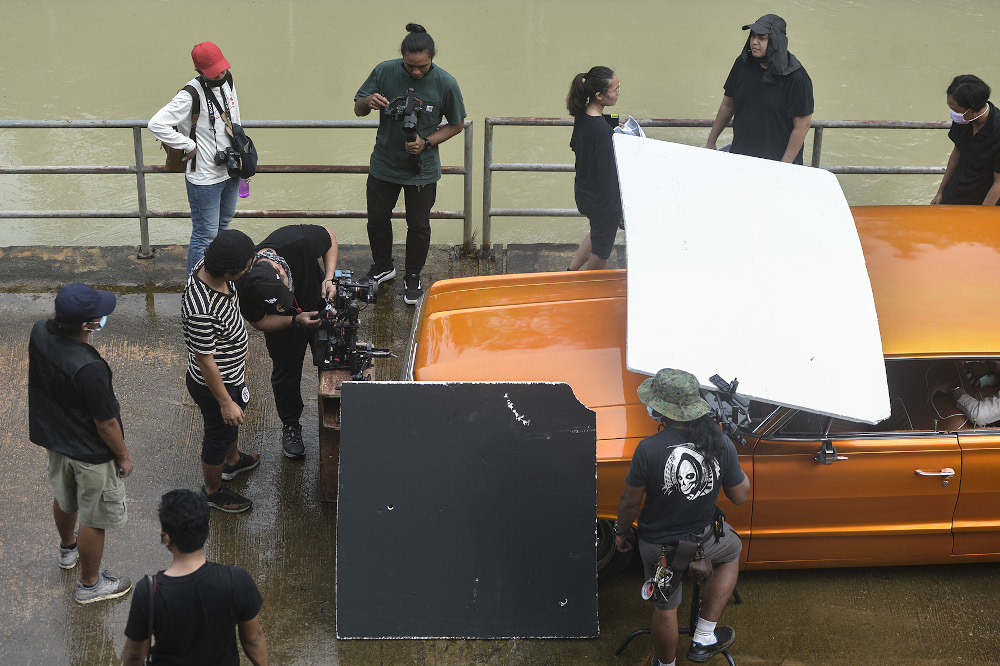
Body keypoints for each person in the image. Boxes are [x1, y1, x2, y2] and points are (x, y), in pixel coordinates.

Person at [614, 368, 750, 666]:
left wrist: (621, 532)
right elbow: (740, 496)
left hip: (660, 548)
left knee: (665, 608)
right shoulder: (720, 442)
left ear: (661, 411)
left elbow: (629, 503)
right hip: (707, 541)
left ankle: (666, 665)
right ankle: (704, 636)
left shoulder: (648, 449)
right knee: (734, 549)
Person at [29, 283, 134, 604]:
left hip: (56, 441)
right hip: (91, 454)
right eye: (98, 315)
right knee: (94, 518)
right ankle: (90, 585)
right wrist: (124, 456)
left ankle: (67, 549)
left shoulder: (39, 332)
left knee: (64, 497)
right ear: (87, 325)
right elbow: (106, 424)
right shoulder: (90, 369)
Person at [354, 23, 467, 305]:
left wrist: (426, 142)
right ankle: (383, 266)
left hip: (423, 170)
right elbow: (358, 108)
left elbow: (457, 124)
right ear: (401, 57)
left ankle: (413, 275)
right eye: (410, 66)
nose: (416, 72)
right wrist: (369, 100)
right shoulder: (384, 71)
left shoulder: (446, 83)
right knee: (377, 220)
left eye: (423, 67)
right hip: (384, 163)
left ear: (432, 59)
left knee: (418, 226)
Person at [122, 489, 268, 665]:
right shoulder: (236, 580)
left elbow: (134, 654)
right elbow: (253, 640)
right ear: (208, 528)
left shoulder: (149, 592)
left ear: (167, 538)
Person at [237, 224, 339, 458]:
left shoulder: (295, 241)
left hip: (318, 303)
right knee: (286, 373)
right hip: (284, 324)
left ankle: (340, 411)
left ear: (281, 271)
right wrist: (294, 319)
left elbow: (330, 236)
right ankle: (291, 425)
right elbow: (260, 320)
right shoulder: (243, 284)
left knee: (334, 360)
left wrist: (329, 278)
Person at [149, 41, 246, 273]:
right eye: (215, 72)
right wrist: (187, 144)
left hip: (230, 170)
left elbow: (235, 117)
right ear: (199, 71)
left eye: (223, 68)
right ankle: (196, 285)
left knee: (223, 228)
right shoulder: (189, 95)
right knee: (205, 236)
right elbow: (156, 124)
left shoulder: (228, 80)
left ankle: (219, 276)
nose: (221, 74)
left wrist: (241, 152)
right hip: (204, 178)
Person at [181, 230, 260, 513]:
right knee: (218, 433)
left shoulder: (210, 266)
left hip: (232, 371)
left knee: (230, 427)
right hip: (216, 384)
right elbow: (205, 360)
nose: (250, 268)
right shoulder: (201, 308)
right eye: (248, 265)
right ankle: (212, 492)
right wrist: (225, 401)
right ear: (230, 270)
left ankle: (233, 461)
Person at [706, 14, 814, 164]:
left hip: (777, 163)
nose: (754, 42)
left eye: (761, 38)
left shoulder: (797, 77)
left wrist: (784, 166)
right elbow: (728, 104)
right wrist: (711, 142)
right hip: (741, 156)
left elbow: (802, 126)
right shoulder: (742, 64)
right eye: (753, 36)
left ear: (776, 41)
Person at [566, 66, 624, 271]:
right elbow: (609, 177)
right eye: (615, 89)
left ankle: (571, 272)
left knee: (597, 232)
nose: (618, 92)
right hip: (602, 201)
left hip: (585, 191)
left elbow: (576, 144)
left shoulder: (582, 116)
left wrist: (614, 126)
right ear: (599, 95)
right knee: (602, 249)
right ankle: (589, 288)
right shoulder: (602, 133)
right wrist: (618, 210)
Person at [932, 75, 1000, 206]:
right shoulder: (964, 119)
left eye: (955, 109)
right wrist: (940, 192)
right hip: (955, 191)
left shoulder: (997, 130)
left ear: (972, 109)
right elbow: (957, 152)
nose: (952, 113)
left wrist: (981, 215)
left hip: (984, 200)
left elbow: (998, 183)